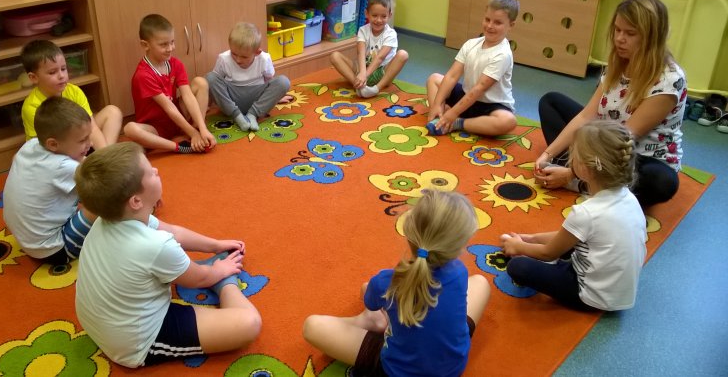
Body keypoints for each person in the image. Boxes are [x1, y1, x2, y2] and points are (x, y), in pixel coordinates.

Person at [74, 142, 261, 368]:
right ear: (136, 201)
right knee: (249, 323)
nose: (156, 170)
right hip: (137, 341)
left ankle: (208, 271)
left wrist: (215, 245)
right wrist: (219, 271)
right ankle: (225, 284)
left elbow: (175, 232)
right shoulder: (155, 245)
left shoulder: (110, 219)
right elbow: (199, 279)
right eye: (150, 172)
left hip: (105, 322)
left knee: (174, 266)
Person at [302, 190, 491, 377]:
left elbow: (370, 302)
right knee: (481, 282)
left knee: (312, 326)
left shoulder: (386, 282)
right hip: (452, 368)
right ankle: (377, 320)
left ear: (408, 232)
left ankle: (368, 321)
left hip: (398, 370)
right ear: (460, 245)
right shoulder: (459, 272)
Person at [535, 0, 686, 207]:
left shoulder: (669, 80)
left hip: (635, 156)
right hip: (601, 141)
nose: (619, 39)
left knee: (661, 182)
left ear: (652, 37)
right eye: (617, 30)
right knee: (551, 102)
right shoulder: (619, 63)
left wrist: (571, 174)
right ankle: (595, 178)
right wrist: (547, 154)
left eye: (630, 33)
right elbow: (586, 116)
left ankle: (585, 181)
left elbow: (624, 138)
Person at [502, 120, 647, 311]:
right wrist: (531, 239)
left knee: (518, 267)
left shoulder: (587, 212)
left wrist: (517, 246)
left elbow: (548, 253)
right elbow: (569, 236)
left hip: (591, 296)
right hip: (619, 293)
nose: (570, 160)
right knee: (567, 244)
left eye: (573, 155)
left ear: (585, 169)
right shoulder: (629, 198)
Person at [4, 97, 96, 264]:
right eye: (82, 140)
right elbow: (103, 189)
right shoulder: (63, 167)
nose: (90, 143)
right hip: (55, 250)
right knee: (102, 204)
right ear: (53, 144)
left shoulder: (30, 145)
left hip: (26, 241)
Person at [425, 0, 519, 137]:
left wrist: (453, 114)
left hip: (490, 105)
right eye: (487, 19)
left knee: (508, 121)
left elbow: (479, 89)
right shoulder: (471, 44)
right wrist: (437, 104)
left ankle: (456, 123)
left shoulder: (503, 54)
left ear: (510, 25)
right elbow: (452, 76)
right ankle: (441, 114)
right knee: (434, 79)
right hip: (466, 95)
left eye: (497, 23)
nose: (490, 26)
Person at [123, 14, 216, 154]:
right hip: (156, 128)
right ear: (145, 45)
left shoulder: (175, 64)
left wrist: (202, 129)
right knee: (130, 129)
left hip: (177, 118)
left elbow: (188, 96)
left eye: (172, 42)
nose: (170, 48)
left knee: (200, 83)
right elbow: (168, 107)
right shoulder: (143, 75)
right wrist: (192, 133)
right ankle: (178, 147)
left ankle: (198, 131)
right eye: (163, 44)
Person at [20, 40, 122, 150]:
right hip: (55, 149)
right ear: (34, 77)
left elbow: (91, 126)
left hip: (80, 138)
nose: (61, 76)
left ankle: (105, 155)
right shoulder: (32, 107)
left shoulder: (74, 91)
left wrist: (105, 153)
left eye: (63, 69)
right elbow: (45, 146)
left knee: (113, 112)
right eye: (52, 72)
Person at [206, 22, 291, 132]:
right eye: (234, 54)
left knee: (284, 81)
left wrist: (274, 98)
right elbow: (215, 83)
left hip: (256, 99)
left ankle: (252, 115)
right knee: (210, 78)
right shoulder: (224, 58)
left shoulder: (264, 59)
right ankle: (238, 116)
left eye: (244, 57)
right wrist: (207, 103)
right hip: (232, 99)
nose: (238, 60)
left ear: (257, 52)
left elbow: (269, 80)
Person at [329, 0, 409, 98]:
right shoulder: (363, 30)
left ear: (389, 15)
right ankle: (358, 85)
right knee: (334, 56)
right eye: (374, 15)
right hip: (362, 69)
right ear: (367, 14)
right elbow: (360, 53)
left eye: (383, 16)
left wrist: (365, 75)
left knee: (403, 54)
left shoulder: (391, 34)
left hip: (382, 72)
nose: (379, 20)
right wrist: (362, 73)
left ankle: (376, 89)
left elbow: (380, 57)